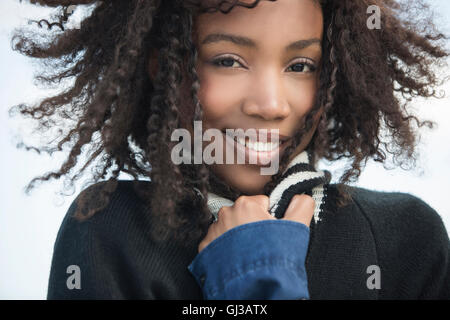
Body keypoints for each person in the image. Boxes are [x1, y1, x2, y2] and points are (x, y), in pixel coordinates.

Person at [10, 0, 449, 299]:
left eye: (301, 66)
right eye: (228, 60)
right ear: (164, 67)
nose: (270, 105)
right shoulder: (109, 234)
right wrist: (250, 276)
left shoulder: (406, 238)